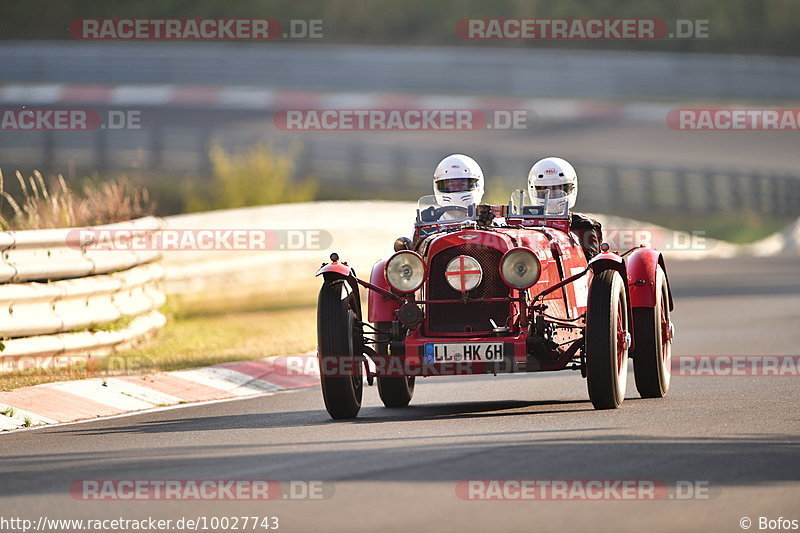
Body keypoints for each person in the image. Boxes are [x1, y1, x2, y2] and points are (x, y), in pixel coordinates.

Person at [527, 157, 603, 259]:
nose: (551, 195)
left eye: (557, 189)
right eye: (544, 190)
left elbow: (591, 268)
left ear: (571, 188)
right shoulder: (524, 225)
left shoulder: (583, 225)